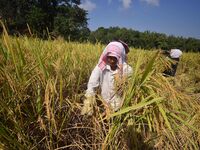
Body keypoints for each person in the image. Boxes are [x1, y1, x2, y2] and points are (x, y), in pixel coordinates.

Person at [81, 41, 133, 116]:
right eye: (109, 57)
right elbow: (92, 84)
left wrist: (121, 83)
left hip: (120, 107)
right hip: (104, 104)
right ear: (106, 56)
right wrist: (89, 101)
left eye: (115, 58)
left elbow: (128, 89)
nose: (112, 61)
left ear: (120, 56)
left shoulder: (127, 70)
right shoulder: (100, 66)